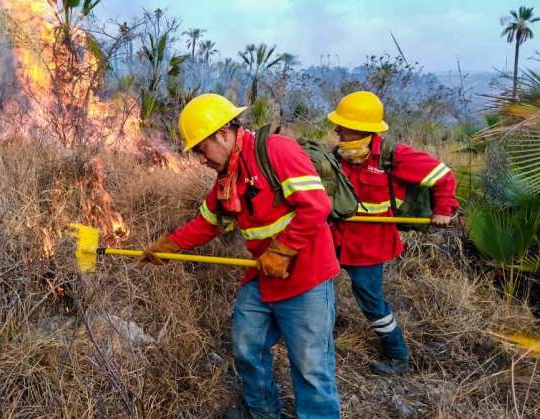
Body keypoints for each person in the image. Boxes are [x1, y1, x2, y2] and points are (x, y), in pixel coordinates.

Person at [141, 93, 341, 419]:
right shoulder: (227, 176)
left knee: (310, 366)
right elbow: (207, 223)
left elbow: (317, 206)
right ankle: (263, 412)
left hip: (307, 278)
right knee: (248, 347)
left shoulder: (277, 151)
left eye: (202, 149)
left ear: (222, 133)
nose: (201, 159)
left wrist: (283, 249)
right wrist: (170, 246)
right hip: (263, 276)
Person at [327, 91, 459, 375]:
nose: (336, 130)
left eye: (343, 125)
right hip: (334, 238)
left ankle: (397, 354)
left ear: (362, 129)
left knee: (370, 299)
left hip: (370, 245)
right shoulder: (338, 156)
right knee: (319, 287)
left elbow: (444, 175)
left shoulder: (393, 156)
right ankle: (324, 333)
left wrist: (443, 210)